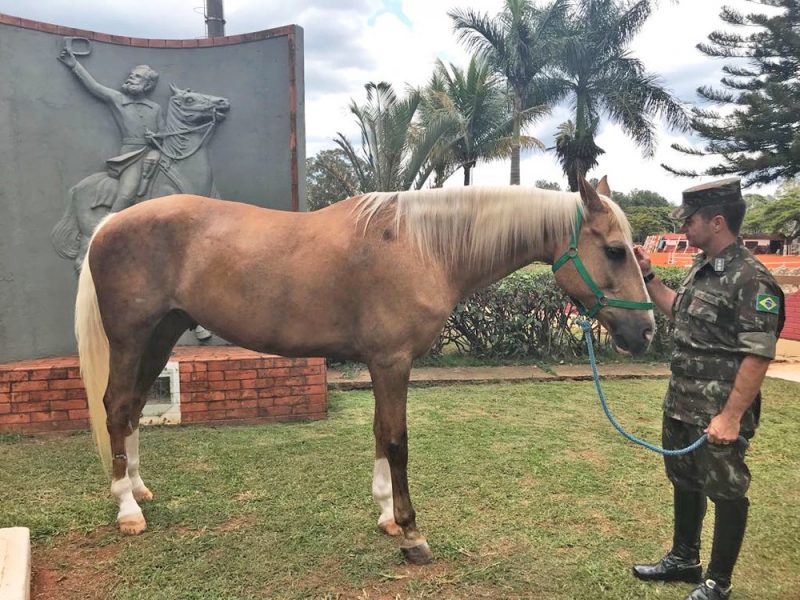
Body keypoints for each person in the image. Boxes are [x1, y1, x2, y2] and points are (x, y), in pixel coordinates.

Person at [631, 178, 784, 600]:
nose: (684, 229)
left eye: (690, 220)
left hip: (719, 411)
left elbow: (758, 355)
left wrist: (731, 416)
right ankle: (684, 558)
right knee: (684, 480)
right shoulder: (703, 267)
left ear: (717, 222)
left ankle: (718, 582)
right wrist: (647, 276)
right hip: (683, 403)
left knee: (727, 489)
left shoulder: (752, 279)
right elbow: (677, 310)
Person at [58, 49, 162, 212]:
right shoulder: (118, 99)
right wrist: (75, 65)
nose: (131, 78)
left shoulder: (155, 108)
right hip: (132, 156)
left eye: (137, 76)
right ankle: (110, 225)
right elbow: (94, 86)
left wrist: (156, 137)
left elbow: (162, 135)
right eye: (131, 75)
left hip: (155, 156)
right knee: (127, 194)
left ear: (147, 85)